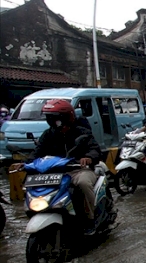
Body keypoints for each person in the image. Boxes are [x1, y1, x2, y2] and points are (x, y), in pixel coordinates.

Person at [11, 99, 101, 232]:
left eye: (56, 118)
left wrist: (88, 158)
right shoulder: (48, 134)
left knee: (82, 183)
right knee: (31, 184)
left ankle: (90, 218)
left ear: (66, 117)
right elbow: (37, 152)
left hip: (77, 170)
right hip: (54, 172)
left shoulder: (82, 132)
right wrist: (25, 163)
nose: (53, 122)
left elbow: (94, 149)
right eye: (50, 118)